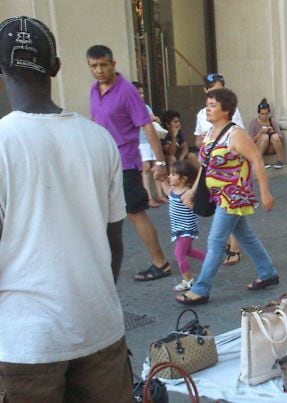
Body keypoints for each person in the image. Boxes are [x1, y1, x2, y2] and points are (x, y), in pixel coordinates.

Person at [0, 16, 131, 400]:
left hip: (27, 343)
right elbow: (115, 242)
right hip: (100, 327)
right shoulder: (99, 139)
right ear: (56, 67)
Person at [176, 88, 278, 305]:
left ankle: (201, 288)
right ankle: (268, 272)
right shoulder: (211, 133)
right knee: (245, 235)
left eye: (212, 105)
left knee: (215, 241)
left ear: (226, 110)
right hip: (217, 194)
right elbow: (205, 166)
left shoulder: (236, 134)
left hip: (234, 195)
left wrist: (265, 192)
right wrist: (193, 191)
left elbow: (257, 160)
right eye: (207, 104)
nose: (207, 109)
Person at [86, 44, 171, 282]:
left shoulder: (126, 91)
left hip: (125, 162)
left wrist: (160, 162)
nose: (99, 70)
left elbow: (146, 124)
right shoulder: (95, 89)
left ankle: (160, 263)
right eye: (94, 66)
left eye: (103, 64)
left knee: (136, 213)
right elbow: (96, 121)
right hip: (103, 161)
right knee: (103, 214)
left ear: (113, 64)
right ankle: (103, 265)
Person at [194, 73, 244, 266]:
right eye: (213, 91)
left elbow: (239, 135)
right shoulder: (202, 113)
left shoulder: (232, 111)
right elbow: (198, 139)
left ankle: (233, 249)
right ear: (206, 91)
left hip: (229, 172)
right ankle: (266, 270)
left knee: (228, 211)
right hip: (211, 169)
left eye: (221, 89)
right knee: (234, 219)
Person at [159, 160, 206, 292]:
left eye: (173, 175)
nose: (170, 177)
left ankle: (188, 280)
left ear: (184, 179)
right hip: (178, 228)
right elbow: (167, 191)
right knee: (188, 251)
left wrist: (191, 204)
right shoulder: (174, 189)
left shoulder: (187, 193)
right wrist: (161, 180)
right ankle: (209, 260)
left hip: (187, 228)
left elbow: (193, 208)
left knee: (179, 253)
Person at [133, 81, 166, 206]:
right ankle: (148, 196)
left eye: (142, 93)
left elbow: (154, 118)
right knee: (145, 168)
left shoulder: (146, 107)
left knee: (155, 166)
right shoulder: (131, 108)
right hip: (140, 141)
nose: (141, 96)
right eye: (138, 93)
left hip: (150, 140)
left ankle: (160, 194)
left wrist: (154, 118)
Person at [247, 98, 286, 169]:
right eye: (262, 114)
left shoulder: (272, 121)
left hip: (270, 148)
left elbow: (281, 138)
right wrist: (259, 133)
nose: (264, 116)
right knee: (264, 137)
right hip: (259, 147)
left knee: (275, 136)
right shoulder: (254, 123)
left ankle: (280, 161)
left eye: (266, 114)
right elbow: (250, 142)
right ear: (259, 113)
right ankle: (259, 161)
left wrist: (273, 132)